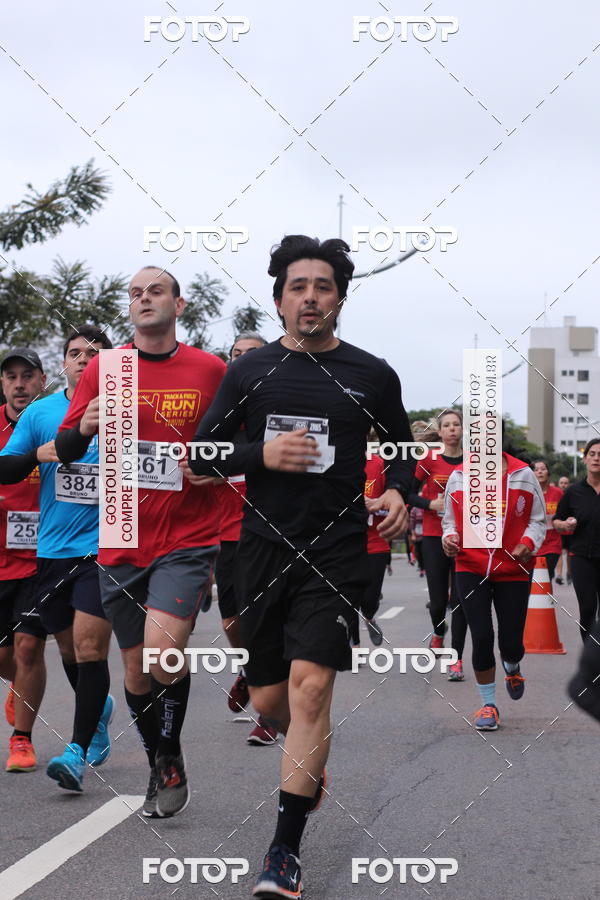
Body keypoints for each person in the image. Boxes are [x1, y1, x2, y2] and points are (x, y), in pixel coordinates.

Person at [189, 235, 413, 898]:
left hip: (335, 550)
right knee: (270, 700)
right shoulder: (249, 374)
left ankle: (282, 852)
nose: (310, 296)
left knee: (312, 690)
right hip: (260, 547)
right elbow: (203, 454)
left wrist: (401, 488)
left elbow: (401, 446)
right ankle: (305, 760)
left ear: (339, 297)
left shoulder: (372, 374)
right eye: (297, 286)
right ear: (279, 297)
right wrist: (260, 454)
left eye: (322, 286)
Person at [55, 267, 225, 818]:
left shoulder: (210, 369)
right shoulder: (107, 368)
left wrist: (213, 466)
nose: (144, 298)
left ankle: (170, 751)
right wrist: (83, 428)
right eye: (135, 293)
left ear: (179, 303)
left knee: (162, 649)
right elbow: (63, 444)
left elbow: (236, 445)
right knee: (134, 671)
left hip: (187, 535)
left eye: (156, 291)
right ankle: (161, 763)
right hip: (122, 533)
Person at [0, 329, 116, 790]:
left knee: (90, 648)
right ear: (63, 363)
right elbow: (5, 466)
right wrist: (36, 454)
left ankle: (76, 751)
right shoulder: (43, 412)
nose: (84, 360)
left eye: (94, 353)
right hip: (52, 550)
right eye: (75, 353)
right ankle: (98, 707)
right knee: (69, 650)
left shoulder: (131, 410)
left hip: (106, 549)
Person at [442, 433, 546, 730]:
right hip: (470, 565)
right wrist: (449, 538)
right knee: (483, 636)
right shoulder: (459, 476)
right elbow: (449, 520)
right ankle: (488, 705)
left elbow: (538, 520)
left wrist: (528, 541)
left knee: (511, 643)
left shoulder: (523, 475)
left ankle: (512, 666)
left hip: (513, 567)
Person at [215, 331, 278, 746]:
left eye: (250, 356)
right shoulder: (219, 418)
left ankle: (269, 714)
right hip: (227, 534)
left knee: (269, 624)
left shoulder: (279, 416)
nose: (241, 362)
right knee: (233, 621)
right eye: (235, 355)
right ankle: (247, 668)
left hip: (273, 534)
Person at [0, 348, 47, 772]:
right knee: (7, 658)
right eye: (11, 377)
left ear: (41, 379)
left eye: (27, 376)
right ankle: (18, 682)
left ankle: (22, 740)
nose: (19, 384)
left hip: (41, 559)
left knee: (28, 647)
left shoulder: (54, 423)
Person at [408, 410, 467, 681]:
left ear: (463, 430)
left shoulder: (475, 462)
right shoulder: (428, 460)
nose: (452, 429)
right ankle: (439, 632)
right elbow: (406, 492)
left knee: (461, 600)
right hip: (434, 534)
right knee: (438, 601)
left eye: (456, 424)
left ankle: (456, 659)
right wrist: (429, 503)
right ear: (440, 432)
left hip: (467, 537)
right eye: (447, 425)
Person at [553, 439, 600, 642]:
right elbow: (556, 521)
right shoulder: (573, 492)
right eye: (592, 454)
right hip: (582, 558)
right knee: (588, 610)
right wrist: (564, 525)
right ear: (584, 458)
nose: (596, 458)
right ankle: (592, 665)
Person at [354, 439, 391, 646]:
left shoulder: (378, 463)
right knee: (348, 598)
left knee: (369, 599)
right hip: (345, 541)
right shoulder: (334, 462)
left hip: (376, 540)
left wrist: (376, 505)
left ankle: (369, 616)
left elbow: (397, 502)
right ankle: (354, 646)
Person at [532, 460, 563, 582]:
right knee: (533, 579)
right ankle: (535, 600)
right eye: (536, 469)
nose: (540, 472)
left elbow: (564, 514)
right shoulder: (529, 492)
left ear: (548, 473)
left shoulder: (558, 493)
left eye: (543, 469)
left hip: (552, 543)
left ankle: (547, 599)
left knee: (546, 575)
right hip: (533, 542)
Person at [555, 474, 572, 585]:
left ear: (569, 484)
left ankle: (569, 573)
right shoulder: (556, 495)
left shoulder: (572, 495)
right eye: (562, 483)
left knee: (569, 553)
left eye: (566, 483)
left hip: (570, 529)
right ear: (558, 484)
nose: (564, 485)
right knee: (560, 552)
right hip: (559, 528)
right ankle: (559, 575)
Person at [408, 503, 425, 577]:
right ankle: (421, 568)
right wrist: (413, 534)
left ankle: (425, 568)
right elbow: (412, 523)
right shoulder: (414, 509)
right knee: (419, 552)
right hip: (417, 533)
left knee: (425, 552)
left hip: (426, 533)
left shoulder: (426, 508)